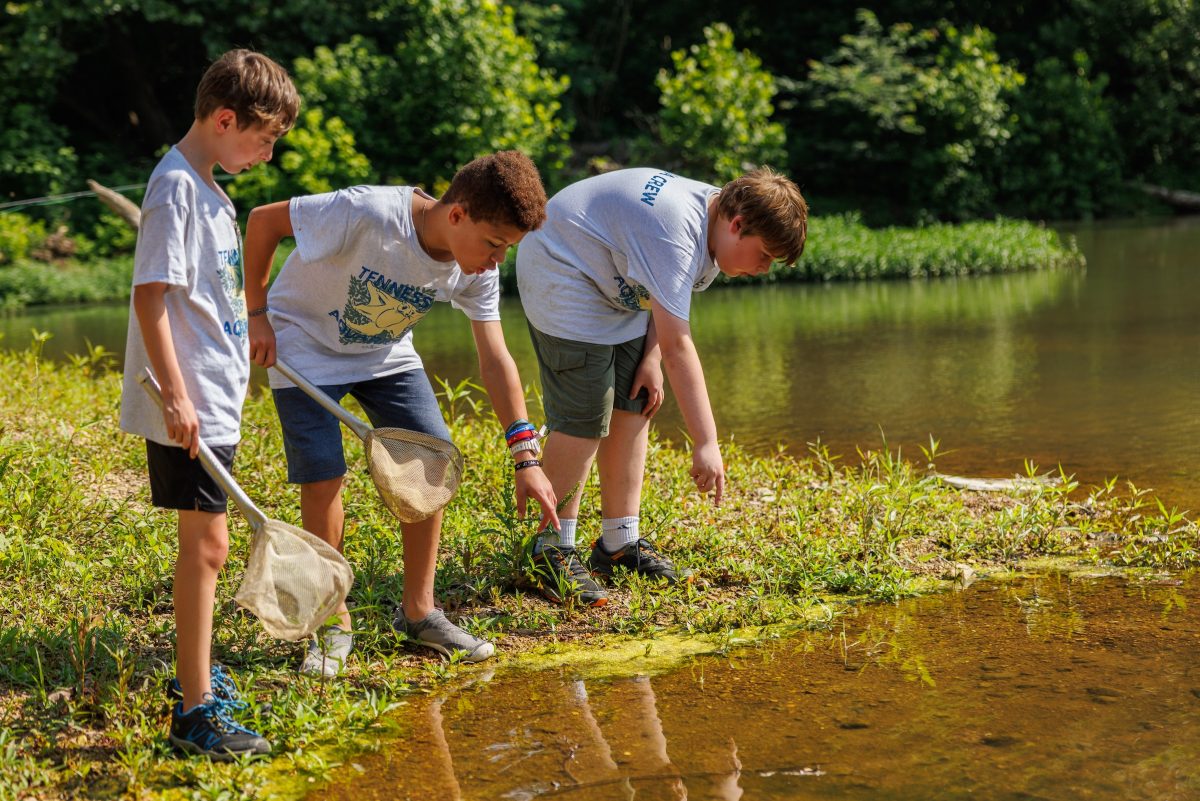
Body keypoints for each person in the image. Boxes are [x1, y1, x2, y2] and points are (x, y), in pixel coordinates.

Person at [242, 150, 559, 676]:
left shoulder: (473, 267)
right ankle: (331, 622)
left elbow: (496, 356)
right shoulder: (367, 212)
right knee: (324, 476)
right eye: (494, 244)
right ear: (456, 215)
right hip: (301, 344)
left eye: (508, 249)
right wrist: (256, 314)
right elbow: (264, 221)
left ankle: (419, 613)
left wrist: (526, 455)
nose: (497, 260)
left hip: (384, 355)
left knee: (429, 461)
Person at [515, 166, 808, 606]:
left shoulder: (714, 224)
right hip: (563, 269)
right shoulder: (677, 230)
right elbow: (679, 347)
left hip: (612, 280)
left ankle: (618, 544)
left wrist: (648, 358)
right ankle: (550, 550)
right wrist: (706, 441)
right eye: (764, 255)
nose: (764, 269)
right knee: (585, 414)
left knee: (636, 400)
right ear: (738, 224)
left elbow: (662, 299)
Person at [118, 49, 299, 759]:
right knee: (208, 546)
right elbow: (149, 296)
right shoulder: (175, 189)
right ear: (225, 119)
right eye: (264, 138)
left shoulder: (209, 189)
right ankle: (194, 711)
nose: (268, 153)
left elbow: (206, 294)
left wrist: (243, 332)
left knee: (209, 544)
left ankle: (196, 676)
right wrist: (179, 396)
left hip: (216, 398)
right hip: (190, 402)